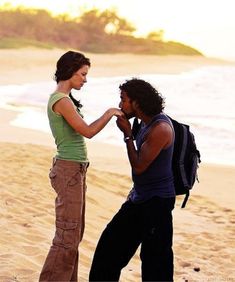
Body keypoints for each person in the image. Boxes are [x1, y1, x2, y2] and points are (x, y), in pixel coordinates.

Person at [39, 50, 123, 282]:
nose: (85, 79)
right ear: (69, 72)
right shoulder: (62, 101)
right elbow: (88, 131)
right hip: (68, 170)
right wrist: (109, 113)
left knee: (74, 234)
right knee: (67, 235)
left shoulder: (63, 99)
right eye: (82, 74)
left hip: (75, 169)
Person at [89, 78, 176, 282]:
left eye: (123, 100)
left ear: (137, 102)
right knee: (108, 252)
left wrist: (127, 135)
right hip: (139, 199)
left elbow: (139, 166)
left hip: (158, 203)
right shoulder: (144, 123)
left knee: (156, 265)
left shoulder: (161, 128)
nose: (120, 105)